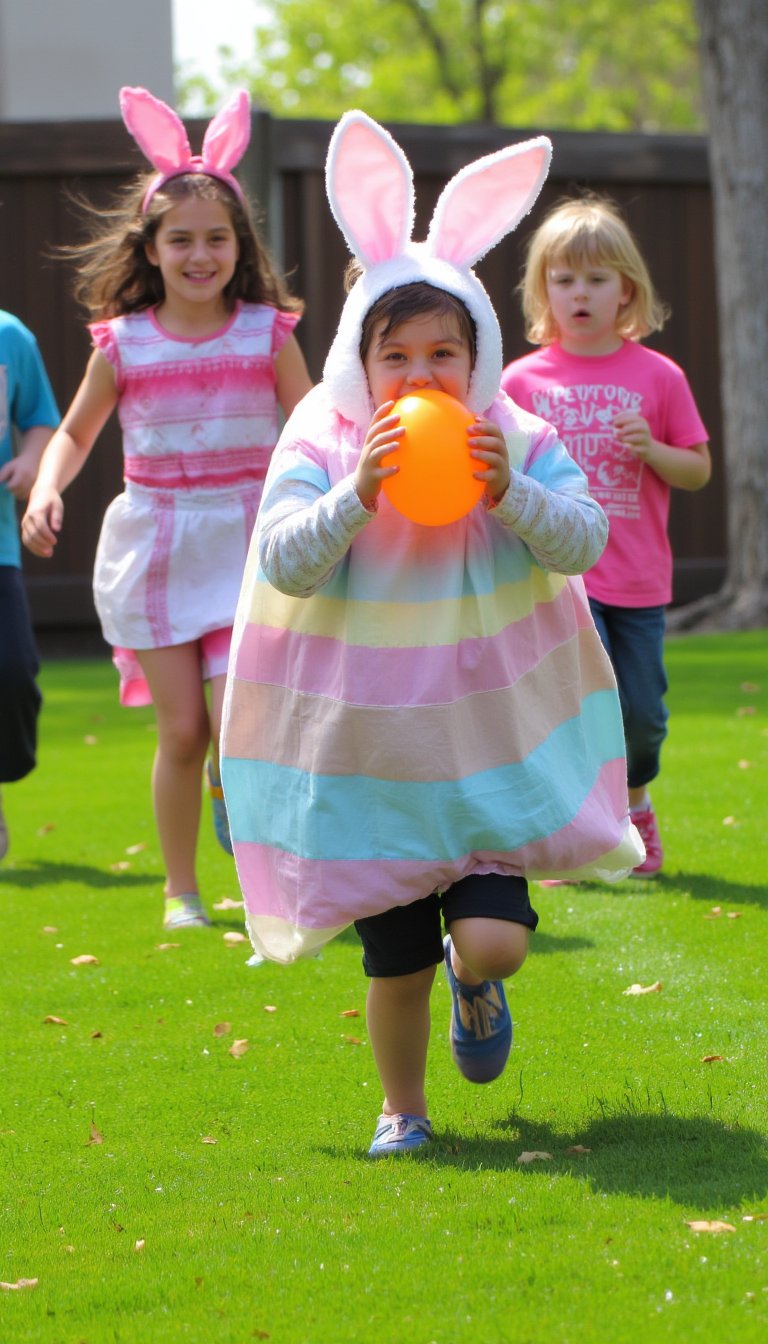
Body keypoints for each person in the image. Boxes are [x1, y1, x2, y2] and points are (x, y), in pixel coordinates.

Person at [220, 112, 643, 1157]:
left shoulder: (521, 436)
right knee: (393, 962)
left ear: (478, 354)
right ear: (360, 359)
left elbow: (584, 541)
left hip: (484, 743)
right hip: (371, 755)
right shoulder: (321, 439)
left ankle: (479, 988)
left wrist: (512, 497)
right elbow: (280, 559)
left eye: (444, 353)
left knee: (493, 941)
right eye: (395, 354)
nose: (420, 375)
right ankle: (400, 1108)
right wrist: (357, 494)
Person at [21, 87, 312, 928]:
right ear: (149, 248)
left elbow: (311, 424)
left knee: (239, 721)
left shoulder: (267, 333)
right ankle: (181, 890)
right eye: (180, 239)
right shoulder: (126, 341)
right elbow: (73, 435)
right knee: (183, 731)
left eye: (216, 238)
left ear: (239, 245)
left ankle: (264, 877)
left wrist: (345, 497)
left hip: (251, 543)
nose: (199, 254)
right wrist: (46, 489)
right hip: (156, 546)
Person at [502, 196, 711, 877]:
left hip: (639, 582)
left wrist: (652, 448)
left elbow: (699, 470)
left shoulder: (660, 377)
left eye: (596, 279)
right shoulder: (521, 383)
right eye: (563, 279)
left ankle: (637, 800)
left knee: (642, 714)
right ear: (543, 291)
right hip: (559, 579)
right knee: (569, 711)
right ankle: (571, 832)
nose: (579, 293)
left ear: (627, 289)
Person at [0, 310, 59, 860]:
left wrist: (29, 459)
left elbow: (41, 418)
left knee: (13, 671)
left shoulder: (11, 336)